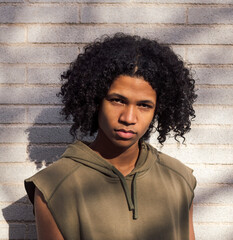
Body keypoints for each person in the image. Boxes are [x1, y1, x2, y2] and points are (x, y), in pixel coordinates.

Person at [24, 33, 197, 240]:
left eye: (144, 105)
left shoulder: (179, 178)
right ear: (96, 100)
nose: (128, 117)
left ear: (158, 110)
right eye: (117, 100)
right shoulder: (54, 185)